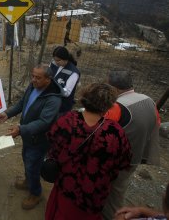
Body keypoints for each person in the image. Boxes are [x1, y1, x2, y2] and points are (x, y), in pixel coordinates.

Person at [45, 83, 132, 220]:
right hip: (94, 194)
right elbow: (123, 163)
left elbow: (53, 149)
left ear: (84, 98)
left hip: (66, 185)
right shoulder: (115, 132)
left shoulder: (67, 120)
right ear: (109, 105)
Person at [0, 64, 63, 210]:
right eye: (33, 76)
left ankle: (36, 193)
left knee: (33, 164)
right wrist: (7, 113)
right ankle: (28, 181)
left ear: (48, 79)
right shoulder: (33, 86)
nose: (33, 80)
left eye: (38, 78)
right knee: (26, 158)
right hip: (28, 135)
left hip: (39, 140)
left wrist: (20, 129)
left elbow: (44, 122)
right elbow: (22, 103)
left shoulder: (54, 99)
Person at [102, 70, 160, 220]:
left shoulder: (117, 107)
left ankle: (111, 216)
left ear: (114, 89)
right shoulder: (148, 100)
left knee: (112, 195)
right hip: (136, 155)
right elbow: (156, 125)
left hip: (117, 160)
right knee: (120, 188)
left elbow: (101, 133)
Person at [49, 46, 80, 114]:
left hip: (62, 107)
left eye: (58, 60)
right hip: (49, 102)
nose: (56, 62)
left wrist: (52, 89)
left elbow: (67, 92)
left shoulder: (73, 73)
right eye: (55, 60)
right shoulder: (53, 64)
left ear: (65, 59)